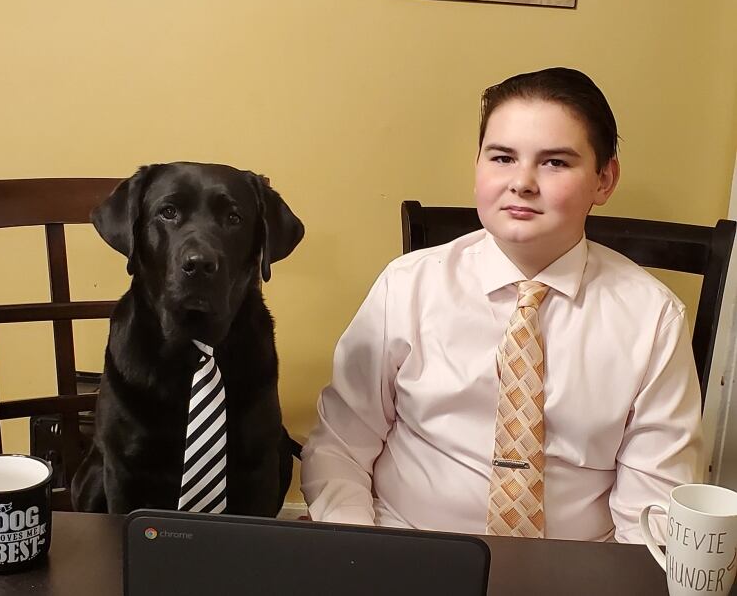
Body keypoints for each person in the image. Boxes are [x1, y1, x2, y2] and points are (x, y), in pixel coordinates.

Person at [300, 67, 703, 543]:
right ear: (478, 166)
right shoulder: (408, 287)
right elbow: (340, 446)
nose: (523, 183)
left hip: (575, 568)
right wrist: (360, 555)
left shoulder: (653, 319)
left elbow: (652, 507)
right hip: (407, 546)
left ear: (604, 179)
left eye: (555, 162)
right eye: (502, 157)